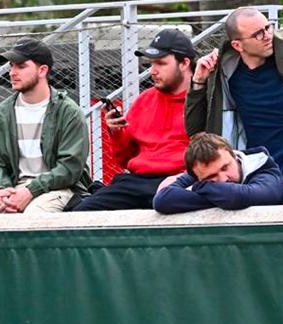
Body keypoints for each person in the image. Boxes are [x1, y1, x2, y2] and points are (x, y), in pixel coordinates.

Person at [184, 7, 283, 203]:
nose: (267, 36)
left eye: (268, 27)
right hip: (259, 176)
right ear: (238, 45)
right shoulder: (226, 75)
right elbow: (195, 130)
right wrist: (199, 82)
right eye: (258, 34)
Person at [0, 39, 90, 215]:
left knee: (34, 218)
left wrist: (30, 191)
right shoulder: (2, 114)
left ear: (42, 70)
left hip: (59, 189)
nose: (12, 72)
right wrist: (1, 190)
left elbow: (69, 168)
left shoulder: (68, 112)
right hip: (12, 188)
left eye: (20, 66)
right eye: (11, 66)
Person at [73, 29, 194, 211]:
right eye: (151, 63)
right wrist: (116, 133)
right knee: (82, 212)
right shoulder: (145, 99)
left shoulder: (203, 100)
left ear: (185, 63)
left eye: (161, 63)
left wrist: (187, 177)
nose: (152, 71)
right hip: (137, 181)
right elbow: (124, 159)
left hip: (181, 179)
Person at [153, 132, 283, 214]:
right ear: (198, 177)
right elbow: (162, 200)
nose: (223, 179)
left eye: (225, 168)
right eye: (212, 177)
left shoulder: (263, 167)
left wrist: (202, 188)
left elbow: (242, 196)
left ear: (234, 156)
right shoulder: (200, 171)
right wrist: (221, 198)